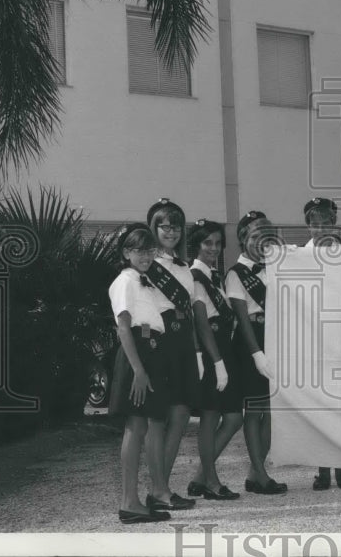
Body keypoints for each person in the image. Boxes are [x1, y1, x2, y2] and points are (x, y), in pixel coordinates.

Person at [108, 224, 173, 524]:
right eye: (139, 250)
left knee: (142, 427)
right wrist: (138, 370)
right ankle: (129, 503)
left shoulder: (144, 281)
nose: (146, 255)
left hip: (151, 350)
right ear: (125, 253)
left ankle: (133, 502)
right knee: (135, 428)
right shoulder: (125, 282)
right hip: (137, 354)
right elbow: (123, 327)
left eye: (150, 250)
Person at [144, 199, 199, 512]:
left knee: (180, 414)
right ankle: (158, 490)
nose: (171, 231)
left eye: (176, 225)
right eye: (164, 225)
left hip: (182, 341)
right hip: (161, 339)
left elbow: (189, 307)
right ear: (154, 228)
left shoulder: (183, 265)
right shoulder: (147, 263)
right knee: (158, 418)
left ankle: (160, 487)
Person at [226, 210, 288, 495]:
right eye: (254, 235)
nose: (260, 240)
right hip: (251, 342)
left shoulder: (275, 266)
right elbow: (241, 316)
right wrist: (256, 354)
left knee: (270, 411)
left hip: (274, 339)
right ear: (243, 239)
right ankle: (260, 475)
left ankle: (255, 472)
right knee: (254, 411)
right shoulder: (236, 274)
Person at [186, 219, 243, 501]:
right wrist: (217, 362)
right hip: (212, 354)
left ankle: (200, 476)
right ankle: (211, 481)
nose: (214, 248)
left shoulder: (213, 276)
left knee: (233, 418)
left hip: (224, 350)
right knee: (210, 417)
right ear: (196, 244)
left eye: (218, 243)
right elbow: (201, 323)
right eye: (207, 242)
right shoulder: (194, 277)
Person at [302, 197, 341, 491]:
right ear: (307, 226)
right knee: (318, 409)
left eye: (326, 222)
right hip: (312, 341)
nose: (320, 228)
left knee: (340, 406)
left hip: (340, 340)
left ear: (333, 224)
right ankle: (321, 470)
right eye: (314, 223)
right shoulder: (297, 256)